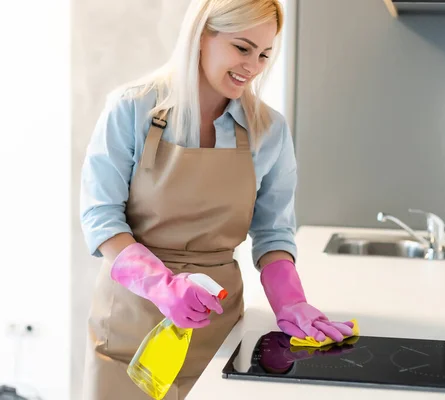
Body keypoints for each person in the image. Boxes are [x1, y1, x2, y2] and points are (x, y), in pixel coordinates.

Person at [79, 0, 354, 398]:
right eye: (242, 48)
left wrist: (291, 302)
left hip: (217, 335)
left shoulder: (269, 130)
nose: (253, 66)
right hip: (130, 328)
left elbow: (273, 231)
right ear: (201, 35)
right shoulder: (132, 108)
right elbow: (101, 218)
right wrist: (163, 286)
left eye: (264, 54)